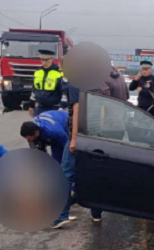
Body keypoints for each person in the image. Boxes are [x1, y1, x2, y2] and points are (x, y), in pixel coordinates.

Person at [64, 67, 126, 223]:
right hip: (97, 134)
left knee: (66, 176)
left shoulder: (75, 82)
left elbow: (77, 110)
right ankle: (96, 212)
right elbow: (105, 108)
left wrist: (74, 139)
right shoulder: (98, 82)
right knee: (95, 175)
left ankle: (60, 216)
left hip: (81, 135)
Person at [20, 109, 75, 228]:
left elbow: (67, 145)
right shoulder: (31, 131)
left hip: (66, 129)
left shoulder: (53, 131)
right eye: (27, 140)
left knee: (64, 170)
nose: (28, 141)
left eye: (30, 139)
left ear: (36, 133)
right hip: (53, 134)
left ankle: (71, 192)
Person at [28, 49, 63, 117]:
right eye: (42, 60)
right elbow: (34, 91)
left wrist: (61, 106)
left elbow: (64, 92)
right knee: (35, 126)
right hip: (40, 108)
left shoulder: (59, 73)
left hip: (54, 108)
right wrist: (31, 105)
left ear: (51, 59)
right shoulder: (37, 72)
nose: (43, 62)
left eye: (46, 60)